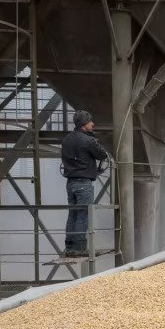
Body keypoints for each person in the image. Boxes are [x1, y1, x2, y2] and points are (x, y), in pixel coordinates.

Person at [61, 110, 109, 257]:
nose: (93, 124)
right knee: (83, 214)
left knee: (73, 214)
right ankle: (80, 248)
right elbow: (102, 155)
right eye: (90, 122)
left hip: (70, 183)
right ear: (84, 124)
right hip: (83, 183)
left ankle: (70, 246)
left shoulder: (67, 139)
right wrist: (93, 140)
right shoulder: (87, 140)